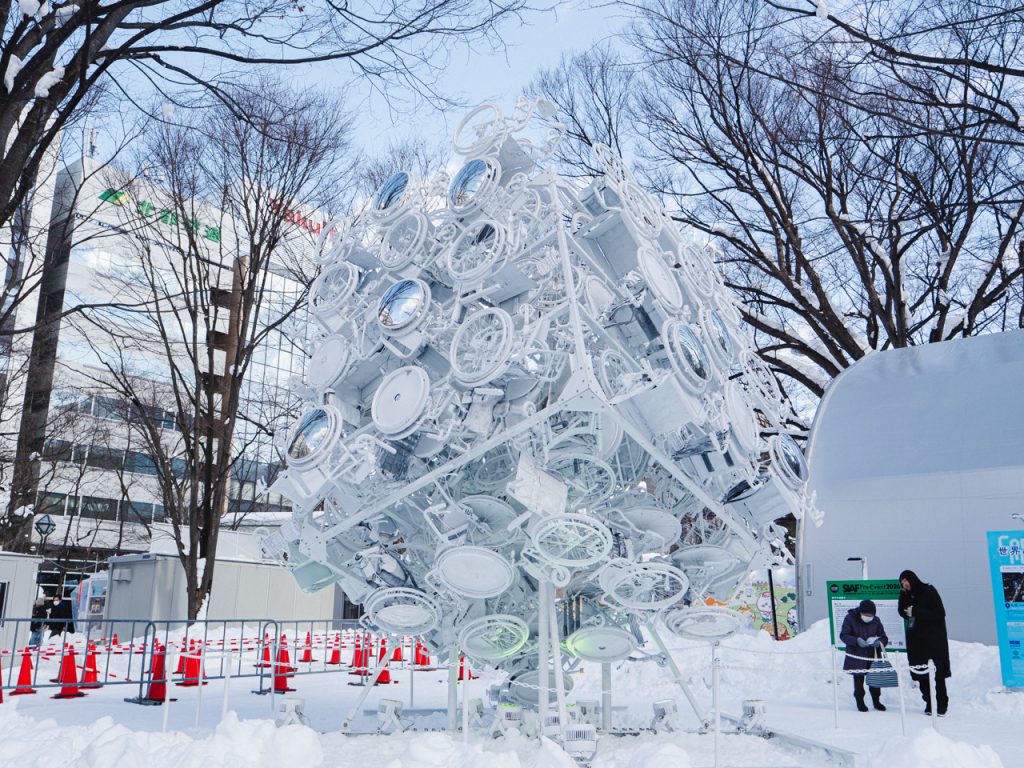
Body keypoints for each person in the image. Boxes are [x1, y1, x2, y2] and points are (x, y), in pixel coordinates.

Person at [899, 569, 950, 715]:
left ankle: (942, 704)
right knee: (921, 673)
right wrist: (904, 597)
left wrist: (915, 612)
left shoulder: (929, 591)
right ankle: (929, 702)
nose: (905, 584)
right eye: (902, 582)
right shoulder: (906, 595)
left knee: (938, 673)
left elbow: (940, 612)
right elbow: (902, 611)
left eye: (906, 580)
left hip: (934, 639)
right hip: (917, 639)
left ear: (913, 579)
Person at [839, 599, 889, 712]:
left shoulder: (876, 620)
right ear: (860, 612)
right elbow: (844, 635)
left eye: (871, 615)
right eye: (866, 615)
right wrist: (856, 640)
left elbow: (884, 637)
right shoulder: (850, 618)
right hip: (856, 654)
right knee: (858, 679)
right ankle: (860, 701)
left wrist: (879, 642)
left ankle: (876, 701)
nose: (868, 617)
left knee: (875, 679)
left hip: (873, 654)